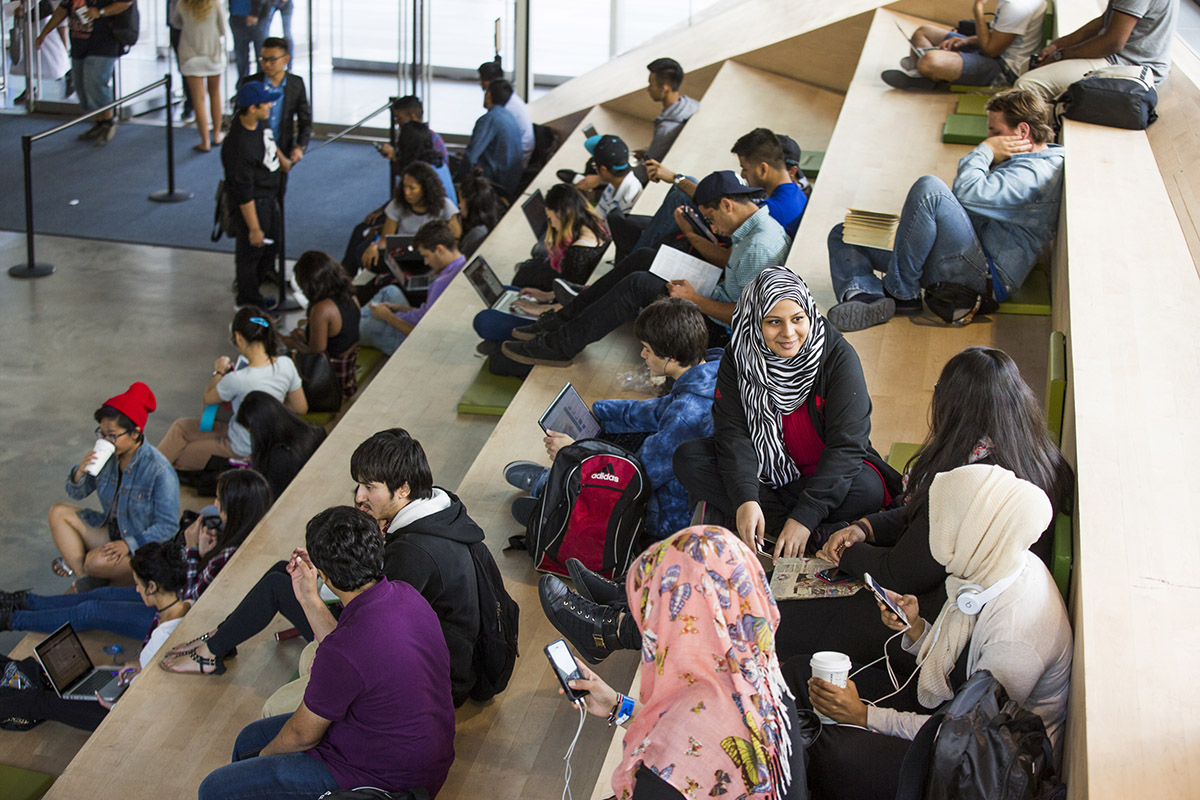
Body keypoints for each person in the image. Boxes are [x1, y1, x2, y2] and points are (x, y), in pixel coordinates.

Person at [772, 345, 1073, 665]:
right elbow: (932, 516)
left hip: (940, 628)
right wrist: (866, 527)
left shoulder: (972, 482)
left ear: (955, 411)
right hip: (966, 600)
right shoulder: (1031, 454)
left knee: (778, 616)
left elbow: (899, 573)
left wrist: (846, 552)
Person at [796, 464, 1072, 799]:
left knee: (829, 748)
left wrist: (863, 715)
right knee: (801, 675)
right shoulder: (993, 564)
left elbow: (965, 739)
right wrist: (916, 630)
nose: (935, 532)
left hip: (987, 768)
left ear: (971, 532)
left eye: (945, 522)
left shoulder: (1017, 639)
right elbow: (960, 674)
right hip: (962, 717)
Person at [162, 428, 487, 709]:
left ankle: (212, 650)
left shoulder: (414, 553)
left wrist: (317, 589)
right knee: (284, 572)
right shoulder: (437, 510)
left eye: (369, 487)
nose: (359, 496)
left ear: (402, 489)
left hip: (431, 679)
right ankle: (219, 641)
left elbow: (372, 627)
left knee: (282, 585)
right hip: (438, 652)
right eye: (357, 485)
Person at [196, 505, 456, 800]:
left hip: (385, 778)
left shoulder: (345, 648)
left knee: (215, 788)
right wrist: (307, 596)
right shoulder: (405, 594)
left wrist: (264, 762)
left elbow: (301, 735)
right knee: (248, 740)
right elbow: (350, 656)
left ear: (325, 577)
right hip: (419, 755)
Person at [543, 525, 796, 800]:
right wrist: (616, 705)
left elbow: (682, 743)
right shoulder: (770, 688)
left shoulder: (667, 778)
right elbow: (691, 736)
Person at [673, 266, 900, 561]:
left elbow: (847, 447)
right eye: (773, 322)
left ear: (810, 314)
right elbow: (733, 432)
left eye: (797, 319)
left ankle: (785, 528)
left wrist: (806, 515)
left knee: (867, 488)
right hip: (767, 475)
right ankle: (798, 531)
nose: (789, 333)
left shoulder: (838, 358)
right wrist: (745, 498)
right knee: (688, 459)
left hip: (823, 475)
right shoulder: (739, 357)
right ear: (755, 321)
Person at [826, 88, 1063, 332]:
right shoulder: (1032, 160)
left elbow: (967, 192)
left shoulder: (1035, 175)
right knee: (845, 233)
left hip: (985, 275)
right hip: (963, 255)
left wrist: (986, 150)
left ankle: (902, 294)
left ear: (1023, 131)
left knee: (930, 189)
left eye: (995, 132)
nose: (989, 137)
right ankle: (866, 298)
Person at [502, 170, 791, 367]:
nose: (713, 227)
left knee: (640, 283)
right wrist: (691, 235)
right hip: (716, 296)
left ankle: (560, 346)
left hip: (717, 331)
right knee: (645, 256)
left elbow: (750, 315)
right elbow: (730, 262)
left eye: (710, 218)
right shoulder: (755, 228)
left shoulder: (758, 247)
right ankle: (562, 319)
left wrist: (695, 299)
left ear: (727, 205)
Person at [504, 298, 721, 540]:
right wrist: (601, 413)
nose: (642, 354)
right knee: (611, 439)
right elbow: (656, 410)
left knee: (589, 475)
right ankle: (555, 483)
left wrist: (575, 456)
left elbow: (634, 480)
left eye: (647, 349)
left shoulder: (686, 415)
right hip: (680, 490)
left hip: (664, 516)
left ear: (670, 355)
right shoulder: (709, 375)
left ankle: (552, 491)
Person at [3, 470, 270, 640]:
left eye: (219, 501)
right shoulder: (239, 535)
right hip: (169, 598)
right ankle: (24, 601)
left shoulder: (232, 554)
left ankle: (12, 619)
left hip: (175, 623)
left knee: (90, 611)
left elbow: (191, 601)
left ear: (235, 508)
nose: (214, 505)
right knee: (100, 595)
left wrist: (192, 549)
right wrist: (201, 551)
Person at [0, 542, 192, 733]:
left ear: (151, 586)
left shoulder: (162, 637)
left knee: (40, 701)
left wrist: (113, 706)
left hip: (124, 714)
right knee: (55, 685)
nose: (136, 590)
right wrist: (143, 665)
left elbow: (143, 708)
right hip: (134, 695)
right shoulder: (187, 607)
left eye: (138, 584)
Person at [50, 382, 179, 586]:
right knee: (58, 513)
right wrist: (80, 473)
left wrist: (129, 545)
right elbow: (77, 493)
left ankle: (82, 568)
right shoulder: (109, 458)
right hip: (113, 531)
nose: (107, 441)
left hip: (144, 548)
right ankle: (84, 579)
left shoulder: (159, 470)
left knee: (94, 562)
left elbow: (169, 527)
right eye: (102, 434)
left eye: (112, 435)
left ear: (135, 432)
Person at [157, 307, 307, 471]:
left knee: (177, 454)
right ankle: (147, 471)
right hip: (258, 439)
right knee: (180, 429)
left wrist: (219, 371)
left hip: (240, 448)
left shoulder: (237, 379)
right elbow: (301, 407)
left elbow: (208, 399)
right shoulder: (286, 365)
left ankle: (147, 474)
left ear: (238, 338)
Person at [1015, 0, 1177, 100]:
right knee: (1028, 66)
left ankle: (1028, 149)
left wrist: (1060, 55)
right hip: (1117, 57)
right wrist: (1057, 45)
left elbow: (1113, 42)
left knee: (1027, 85)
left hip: (1131, 66)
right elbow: (1103, 22)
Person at [222, 79, 291, 310]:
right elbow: (243, 192)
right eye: (266, 104)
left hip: (270, 198)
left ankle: (260, 286)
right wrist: (254, 227)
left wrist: (283, 161)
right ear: (252, 108)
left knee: (270, 247)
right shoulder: (238, 146)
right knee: (250, 253)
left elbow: (269, 141)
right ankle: (248, 300)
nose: (270, 107)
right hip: (254, 205)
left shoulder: (259, 124)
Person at [882, 0, 1047, 90]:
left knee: (929, 61)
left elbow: (990, 51)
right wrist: (966, 41)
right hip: (995, 50)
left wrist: (978, 8)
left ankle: (924, 73)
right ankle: (925, 75)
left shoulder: (1017, 6)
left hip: (1004, 69)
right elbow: (997, 33)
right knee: (923, 32)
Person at [35, 0, 136, 146]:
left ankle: (109, 122)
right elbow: (61, 11)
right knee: (81, 86)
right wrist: (44, 33)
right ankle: (99, 122)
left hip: (104, 43)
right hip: (79, 43)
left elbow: (126, 3)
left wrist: (101, 12)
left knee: (95, 83)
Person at [359, 220, 467, 355]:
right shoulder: (463, 263)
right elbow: (428, 313)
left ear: (440, 250)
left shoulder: (442, 283)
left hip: (405, 337)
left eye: (426, 256)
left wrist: (388, 317)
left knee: (353, 329)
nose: (426, 262)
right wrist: (400, 308)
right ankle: (362, 316)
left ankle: (354, 322)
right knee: (390, 291)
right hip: (414, 321)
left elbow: (422, 336)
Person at [353, 160, 461, 276]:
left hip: (431, 258)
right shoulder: (397, 205)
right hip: (402, 257)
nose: (406, 192)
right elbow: (385, 239)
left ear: (425, 188)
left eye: (412, 188)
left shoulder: (445, 206)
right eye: (404, 186)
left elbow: (456, 239)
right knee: (370, 258)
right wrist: (376, 246)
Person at [286, 251, 361, 400]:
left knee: (283, 361)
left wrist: (293, 343)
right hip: (348, 371)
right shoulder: (350, 296)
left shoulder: (322, 309)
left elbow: (316, 354)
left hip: (331, 382)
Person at [235, 391, 326, 499]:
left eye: (251, 432)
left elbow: (269, 499)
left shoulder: (278, 460)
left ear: (260, 430)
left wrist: (253, 476)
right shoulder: (314, 432)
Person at [240, 36, 311, 168]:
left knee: (278, 187)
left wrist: (300, 147)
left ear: (286, 59)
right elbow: (240, 120)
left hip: (284, 149)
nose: (267, 64)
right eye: (263, 59)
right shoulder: (249, 84)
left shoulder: (296, 84)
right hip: (253, 152)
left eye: (272, 60)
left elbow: (305, 121)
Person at [171, 0, 227, 152]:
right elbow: (223, 30)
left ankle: (205, 141)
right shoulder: (215, 3)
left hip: (190, 56)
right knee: (215, 94)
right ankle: (216, 134)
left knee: (198, 99)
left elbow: (176, 24)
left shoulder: (182, 4)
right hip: (212, 55)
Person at [460, 79, 524, 198]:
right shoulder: (510, 117)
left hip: (494, 182)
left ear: (488, 95)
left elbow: (470, 157)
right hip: (512, 181)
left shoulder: (489, 119)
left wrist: (459, 178)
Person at [478, 59, 534, 165]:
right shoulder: (510, 98)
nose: (480, 83)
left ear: (487, 82)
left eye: (481, 79)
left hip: (514, 161)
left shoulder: (501, 108)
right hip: (516, 154)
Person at [227, 0, 270, 85]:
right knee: (241, 58)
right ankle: (243, 87)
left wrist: (255, 13)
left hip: (257, 17)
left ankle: (261, 87)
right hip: (236, 16)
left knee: (261, 56)